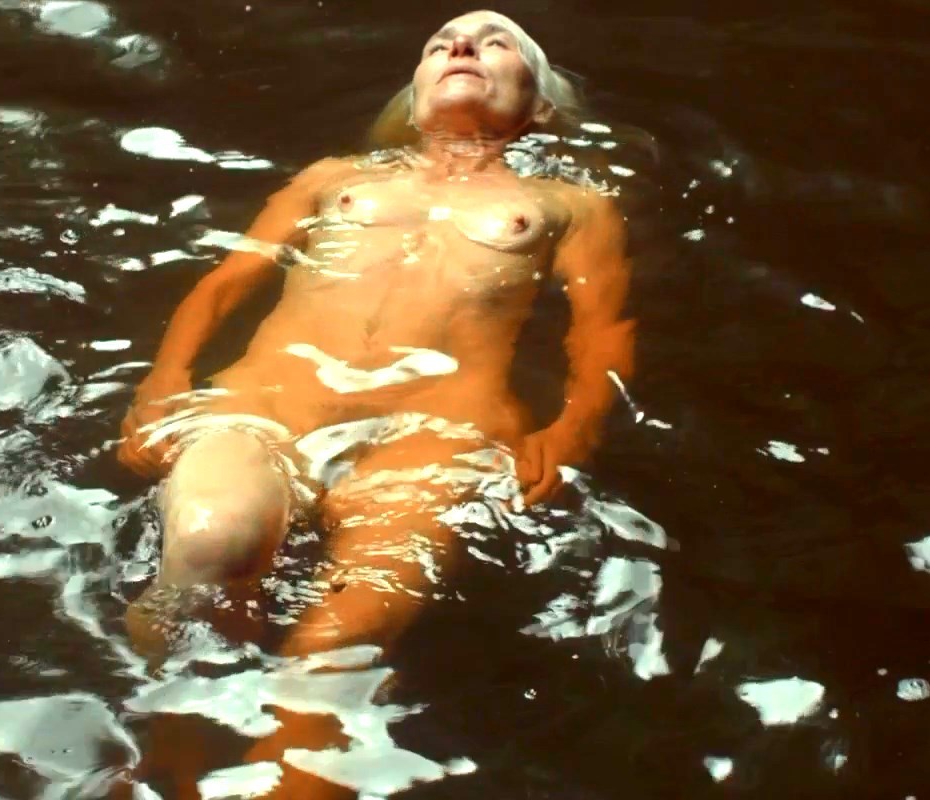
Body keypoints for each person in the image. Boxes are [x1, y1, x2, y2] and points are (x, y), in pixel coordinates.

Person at [115, 9, 635, 797]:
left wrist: (573, 431)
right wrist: (164, 379)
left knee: (334, 649)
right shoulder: (333, 177)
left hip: (435, 434)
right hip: (268, 404)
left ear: (538, 103)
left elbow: (603, 334)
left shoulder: (572, 204)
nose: (461, 46)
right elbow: (226, 282)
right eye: (440, 44)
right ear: (415, 92)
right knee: (209, 543)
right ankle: (170, 756)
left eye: (495, 41)